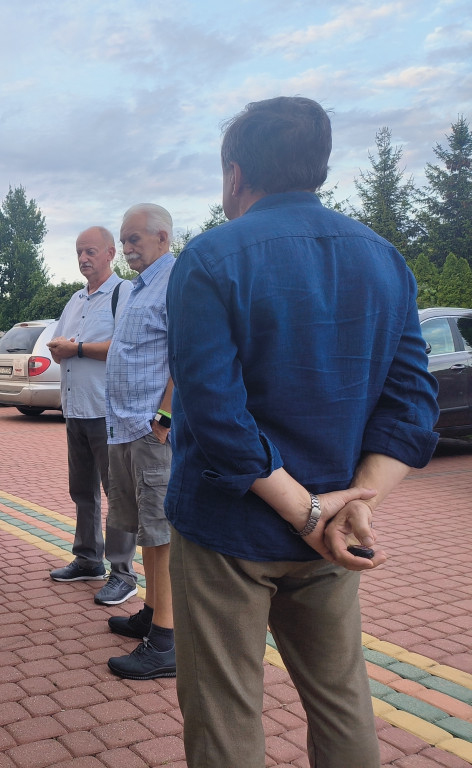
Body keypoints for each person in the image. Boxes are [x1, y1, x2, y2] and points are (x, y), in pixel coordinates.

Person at [166, 96, 439, 767]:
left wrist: (307, 509)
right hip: (335, 537)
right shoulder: (384, 258)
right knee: (343, 701)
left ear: (235, 175)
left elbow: (214, 412)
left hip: (228, 530)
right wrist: (350, 509)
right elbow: (412, 407)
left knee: (226, 715)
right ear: (316, 167)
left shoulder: (209, 258)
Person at [45, 226, 137, 606]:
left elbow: (125, 346)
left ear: (111, 253)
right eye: (79, 251)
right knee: (81, 491)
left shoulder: (123, 294)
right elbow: (60, 345)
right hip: (75, 409)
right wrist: (60, 349)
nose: (84, 258)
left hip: (107, 410)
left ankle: (123, 573)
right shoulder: (75, 299)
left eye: (91, 252)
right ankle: (87, 559)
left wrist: (77, 348)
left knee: (117, 494)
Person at [104, 204, 177, 680]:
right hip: (125, 426)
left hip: (152, 429)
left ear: (163, 238)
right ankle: (153, 611)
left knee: (162, 533)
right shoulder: (135, 288)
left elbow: (184, 354)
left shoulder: (175, 283)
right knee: (144, 529)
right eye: (125, 240)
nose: (128, 249)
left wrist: (165, 414)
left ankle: (166, 642)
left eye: (135, 240)